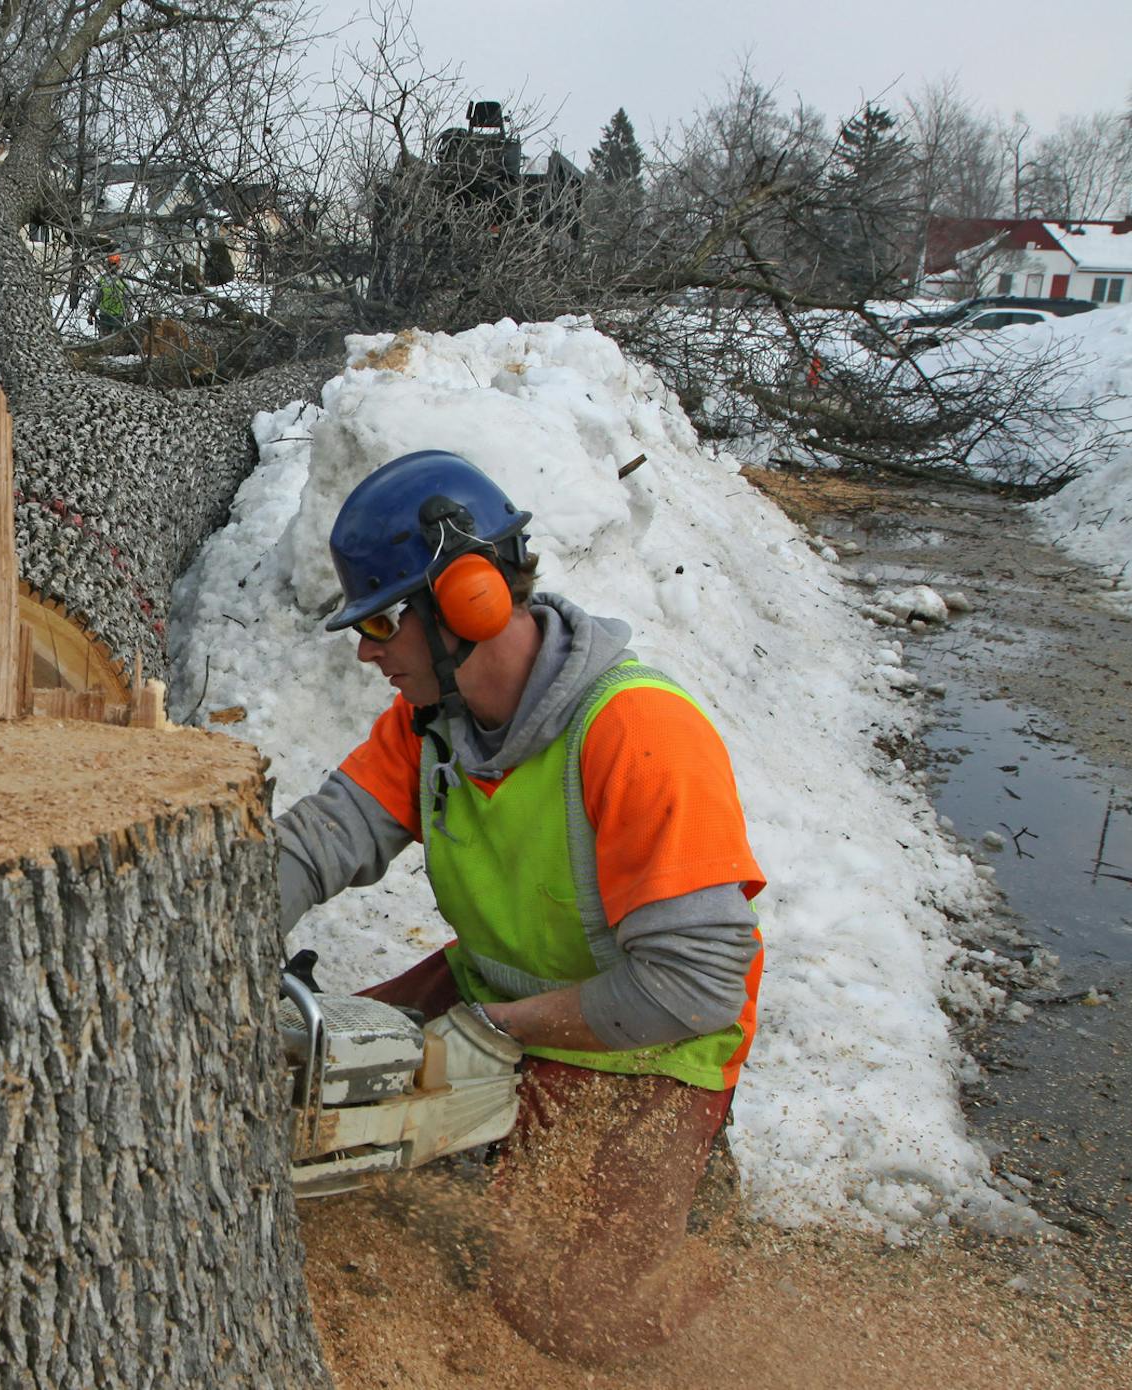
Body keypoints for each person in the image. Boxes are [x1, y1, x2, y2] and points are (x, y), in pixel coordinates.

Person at [275, 449, 765, 1365]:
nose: (366, 651)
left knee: (570, 1321)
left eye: (382, 623)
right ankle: (489, 1127)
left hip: (647, 1045)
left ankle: (696, 1216)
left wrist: (496, 1033)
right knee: (298, 1089)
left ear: (468, 602)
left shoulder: (639, 733)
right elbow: (318, 842)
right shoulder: (432, 725)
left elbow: (695, 989)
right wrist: (210, 927)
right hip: (497, 996)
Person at [89, 253, 127, 338]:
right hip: (104, 316)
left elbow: (127, 298)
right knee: (104, 342)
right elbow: (96, 297)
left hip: (118, 317)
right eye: (111, 264)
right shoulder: (102, 279)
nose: (112, 267)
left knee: (118, 342)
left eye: (114, 264)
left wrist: (129, 314)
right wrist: (91, 313)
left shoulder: (123, 279)